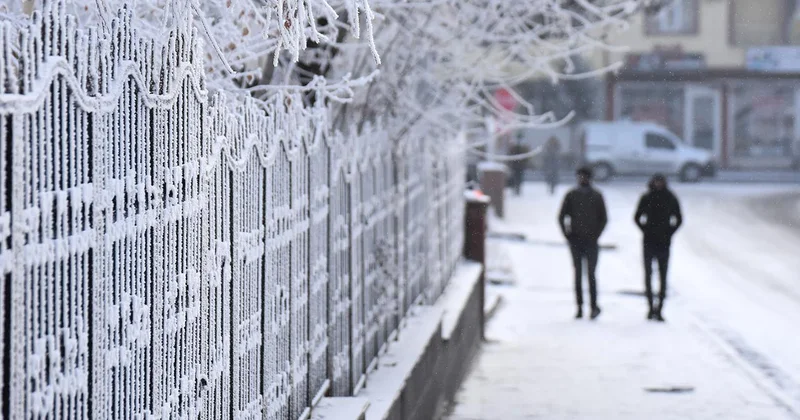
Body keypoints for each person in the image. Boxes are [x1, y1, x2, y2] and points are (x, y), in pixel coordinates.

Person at [558, 166, 608, 320]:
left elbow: (603, 218)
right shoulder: (572, 195)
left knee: (591, 275)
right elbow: (561, 216)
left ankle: (593, 306)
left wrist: (596, 235)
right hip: (576, 240)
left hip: (591, 242)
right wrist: (568, 234)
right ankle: (579, 307)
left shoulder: (596, 196)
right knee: (578, 275)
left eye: (585, 177)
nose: (582, 179)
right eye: (580, 176)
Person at [634, 173, 682, 322]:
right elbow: (637, 217)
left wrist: (669, 232)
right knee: (648, 275)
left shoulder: (670, 198)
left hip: (663, 242)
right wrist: (645, 230)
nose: (658, 184)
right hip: (649, 241)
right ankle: (650, 307)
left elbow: (678, 218)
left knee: (662, 276)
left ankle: (659, 308)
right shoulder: (647, 197)